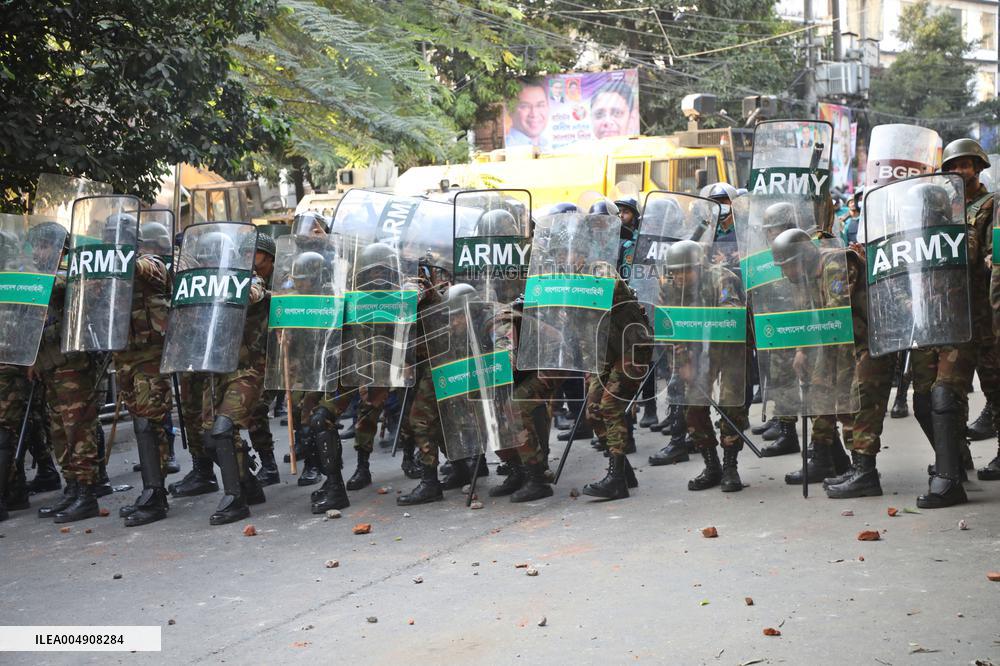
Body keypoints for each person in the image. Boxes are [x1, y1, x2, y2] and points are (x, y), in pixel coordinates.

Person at [506, 81, 549, 150]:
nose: (534, 114)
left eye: (540, 105)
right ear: (510, 110)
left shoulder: (548, 144)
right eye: (525, 106)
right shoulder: (510, 148)